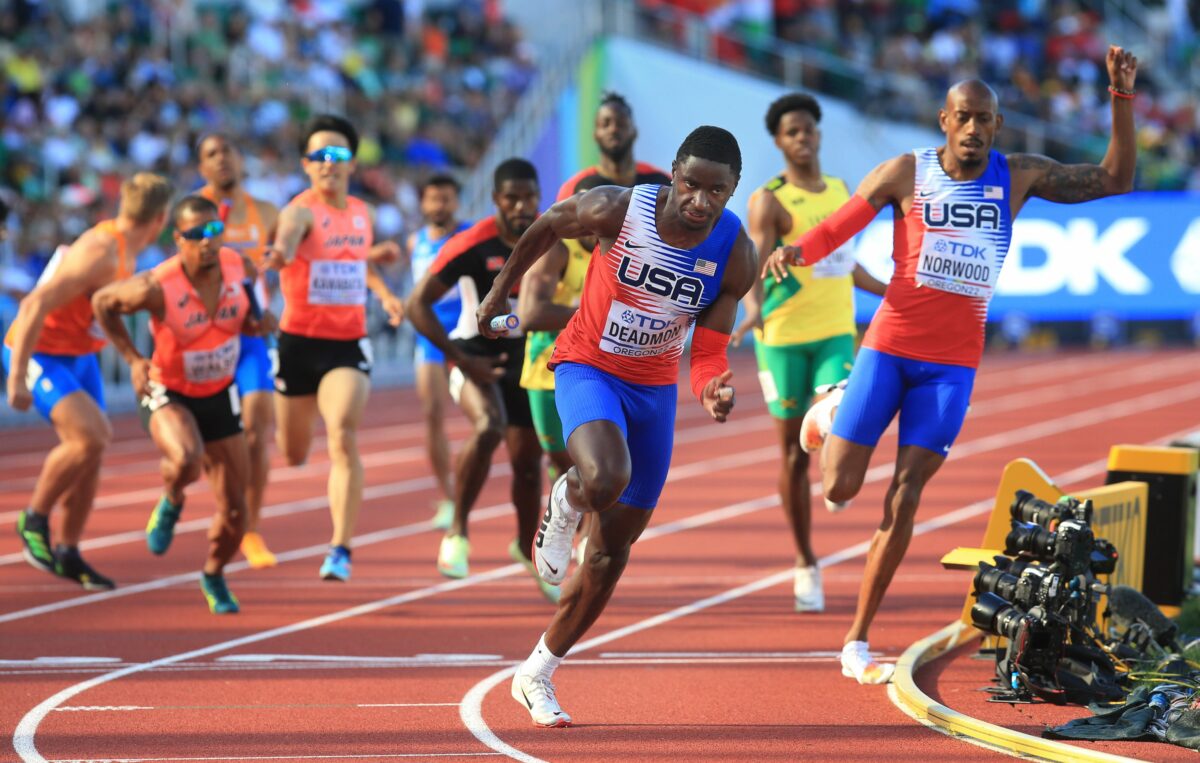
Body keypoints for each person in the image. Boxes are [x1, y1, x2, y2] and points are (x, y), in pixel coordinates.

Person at [761, 47, 1139, 684]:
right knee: (838, 489)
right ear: (944, 119)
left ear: (996, 126)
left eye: (984, 119)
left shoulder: (1016, 175)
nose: (973, 129)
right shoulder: (905, 173)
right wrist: (794, 251)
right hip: (888, 347)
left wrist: (1120, 99)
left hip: (952, 366)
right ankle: (831, 407)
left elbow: (1114, 179)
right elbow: (842, 224)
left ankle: (856, 640)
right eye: (963, 116)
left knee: (903, 500)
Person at [478, 126, 755, 727]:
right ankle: (564, 498)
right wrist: (500, 290)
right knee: (603, 477)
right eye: (692, 185)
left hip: (653, 391)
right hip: (588, 366)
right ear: (673, 174)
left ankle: (536, 673)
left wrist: (712, 384)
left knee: (609, 555)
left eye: (717, 192)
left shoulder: (735, 252)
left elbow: (708, 344)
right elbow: (550, 223)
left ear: (732, 192)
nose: (701, 202)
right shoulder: (619, 208)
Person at [731, 93, 887, 613]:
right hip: (780, 339)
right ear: (778, 142)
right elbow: (753, 264)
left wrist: (893, 291)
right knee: (794, 455)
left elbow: (845, 264)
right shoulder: (769, 200)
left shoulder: (844, 192)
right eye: (791, 132)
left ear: (818, 135)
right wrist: (750, 311)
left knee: (840, 418)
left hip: (834, 332)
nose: (802, 139)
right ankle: (805, 561)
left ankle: (837, 477)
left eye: (808, 130)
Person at [93, 195, 264, 613]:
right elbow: (103, 304)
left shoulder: (240, 267)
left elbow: (250, 311)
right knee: (188, 458)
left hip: (219, 393)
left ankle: (214, 573)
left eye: (213, 231)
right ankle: (172, 499)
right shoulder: (156, 286)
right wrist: (133, 358)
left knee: (237, 511)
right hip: (168, 389)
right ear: (177, 239)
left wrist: (259, 321)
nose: (207, 241)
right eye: (195, 234)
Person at [3, 173, 172, 590]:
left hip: (80, 355)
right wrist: (18, 376)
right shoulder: (102, 251)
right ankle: (34, 519)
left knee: (93, 454)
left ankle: (70, 551)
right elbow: (36, 303)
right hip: (41, 352)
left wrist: (133, 358)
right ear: (160, 218)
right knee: (92, 437)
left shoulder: (127, 247)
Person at [407, 158, 557, 604]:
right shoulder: (473, 243)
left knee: (529, 466)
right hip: (470, 355)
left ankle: (526, 548)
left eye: (529, 196)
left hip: (524, 360)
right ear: (496, 201)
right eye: (511, 198)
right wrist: (457, 359)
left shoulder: (551, 239)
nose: (521, 206)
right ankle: (458, 532)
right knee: (488, 426)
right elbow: (418, 305)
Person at [266, 113, 405, 582]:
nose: (329, 164)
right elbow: (289, 238)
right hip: (297, 343)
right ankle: (298, 450)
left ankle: (340, 547)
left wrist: (382, 289)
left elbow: (346, 261)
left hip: (346, 342)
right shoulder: (299, 210)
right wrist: (281, 253)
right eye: (319, 157)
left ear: (352, 162)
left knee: (342, 432)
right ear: (307, 165)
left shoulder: (363, 213)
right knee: (294, 452)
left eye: (338, 155)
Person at [521, 93, 671, 479]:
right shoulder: (579, 186)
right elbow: (554, 240)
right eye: (605, 123)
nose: (613, 129)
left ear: (633, 128)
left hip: (627, 349)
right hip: (557, 349)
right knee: (564, 465)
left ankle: (587, 535)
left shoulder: (659, 182)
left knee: (607, 465)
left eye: (620, 122)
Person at [195, 132, 281, 569]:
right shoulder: (193, 212)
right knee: (213, 440)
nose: (222, 160)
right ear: (201, 167)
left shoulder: (265, 212)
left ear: (240, 159)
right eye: (212, 154)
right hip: (204, 336)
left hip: (250, 336)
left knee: (255, 429)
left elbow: (292, 257)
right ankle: (228, 510)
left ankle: (249, 526)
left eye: (228, 150)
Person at [406, 174, 470, 531]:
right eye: (432, 199)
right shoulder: (414, 240)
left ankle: (469, 482)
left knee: (485, 417)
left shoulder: (468, 235)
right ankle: (448, 497)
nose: (438, 206)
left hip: (464, 330)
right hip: (429, 334)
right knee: (432, 414)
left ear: (456, 202)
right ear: (423, 204)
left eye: (445, 199)